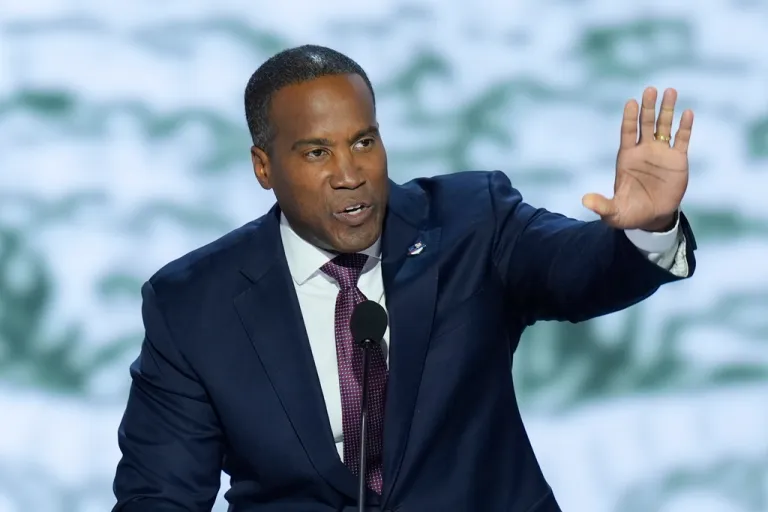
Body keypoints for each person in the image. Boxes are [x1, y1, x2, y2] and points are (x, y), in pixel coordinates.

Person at [112, 45, 696, 512]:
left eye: (363, 142)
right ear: (264, 167)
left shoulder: (471, 223)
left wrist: (646, 229)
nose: (350, 174)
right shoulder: (195, 305)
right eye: (316, 153)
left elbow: (577, 269)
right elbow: (159, 494)